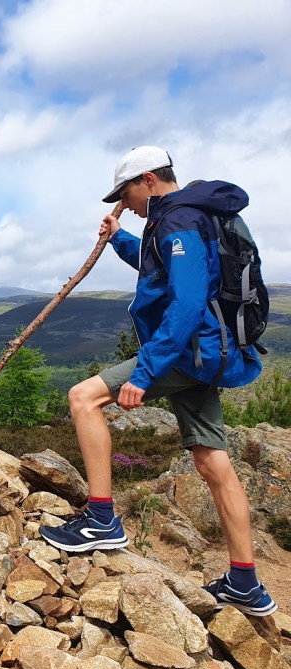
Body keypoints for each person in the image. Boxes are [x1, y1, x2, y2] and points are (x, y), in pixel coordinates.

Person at [40, 146, 276, 617]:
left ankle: (101, 519)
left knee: (83, 397)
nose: (123, 202)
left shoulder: (177, 220)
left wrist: (144, 373)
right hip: (208, 352)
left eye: (126, 192)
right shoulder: (178, 218)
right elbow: (161, 275)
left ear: (148, 179)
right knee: (212, 461)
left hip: (189, 352)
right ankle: (245, 582)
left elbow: (187, 304)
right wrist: (120, 239)